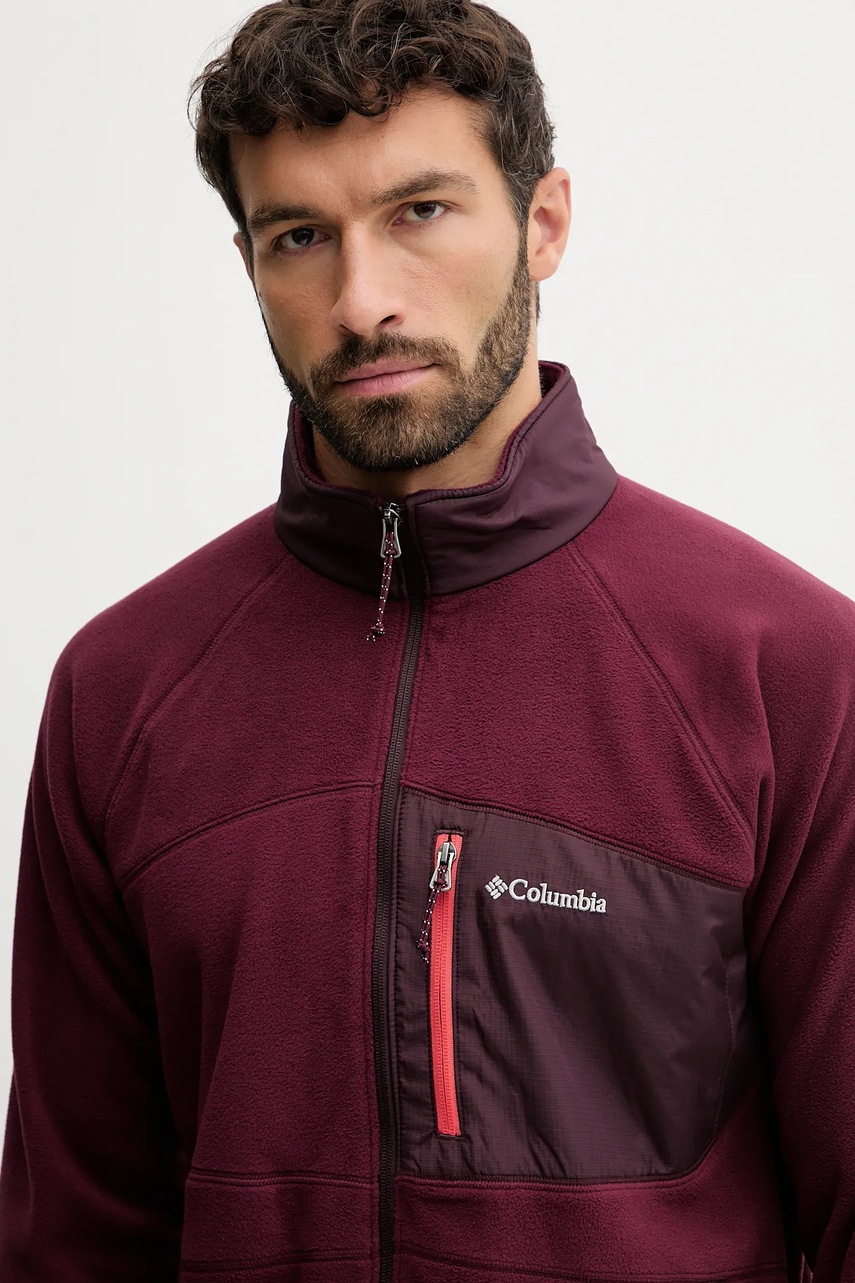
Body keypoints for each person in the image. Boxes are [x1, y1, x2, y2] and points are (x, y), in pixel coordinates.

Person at [0, 0, 852, 1278]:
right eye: (300, 236)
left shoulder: (788, 669)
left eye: (420, 211)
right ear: (248, 263)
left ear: (543, 221)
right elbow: (73, 1236)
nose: (361, 301)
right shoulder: (122, 691)